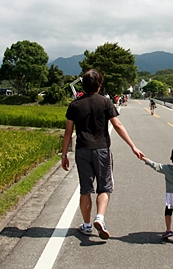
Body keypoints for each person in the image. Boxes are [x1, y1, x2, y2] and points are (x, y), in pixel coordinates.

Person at [61, 69, 144, 239]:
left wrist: (64, 156)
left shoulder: (74, 105)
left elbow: (68, 132)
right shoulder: (106, 103)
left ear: (83, 85)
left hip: (82, 150)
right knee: (104, 186)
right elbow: (118, 125)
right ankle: (100, 217)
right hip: (102, 150)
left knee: (85, 189)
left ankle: (86, 225)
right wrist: (133, 146)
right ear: (99, 86)